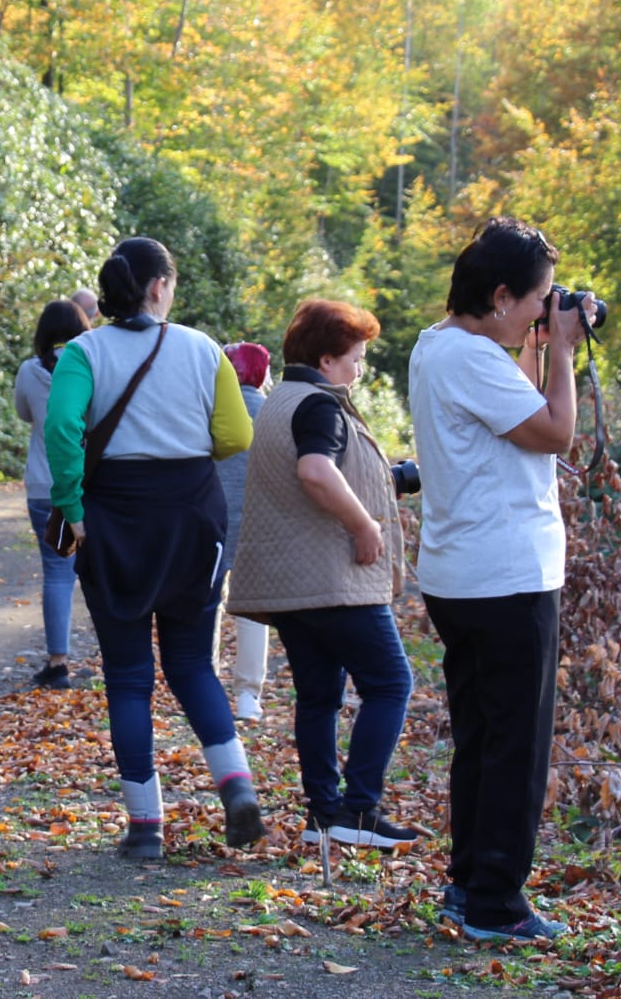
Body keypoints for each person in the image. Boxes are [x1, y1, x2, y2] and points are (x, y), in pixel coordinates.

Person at [43, 236, 263, 859]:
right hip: (191, 515)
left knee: (128, 675)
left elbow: (61, 428)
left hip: (114, 519)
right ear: (160, 287)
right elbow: (235, 435)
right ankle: (236, 785)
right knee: (191, 663)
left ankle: (145, 827)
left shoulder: (82, 352)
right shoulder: (203, 349)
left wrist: (72, 507)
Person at [408, 216, 592, 942]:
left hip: (462, 573)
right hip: (508, 575)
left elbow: (517, 411)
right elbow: (554, 432)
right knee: (517, 746)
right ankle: (496, 903)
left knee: (483, 738)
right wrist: (564, 352)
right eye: (540, 298)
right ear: (502, 295)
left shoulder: (438, 345)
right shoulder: (472, 359)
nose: (547, 309)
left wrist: (542, 345)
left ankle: (469, 885)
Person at [228, 301, 419, 851]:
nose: (359, 370)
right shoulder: (320, 405)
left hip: (294, 582)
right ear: (328, 359)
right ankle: (359, 809)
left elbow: (314, 473)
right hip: (332, 579)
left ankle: (324, 813)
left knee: (318, 696)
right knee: (390, 684)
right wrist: (363, 525)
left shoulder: (280, 400)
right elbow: (315, 470)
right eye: (355, 359)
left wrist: (392, 479)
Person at [14, 299, 92, 689]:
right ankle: (117, 653)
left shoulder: (29, 371)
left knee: (57, 572)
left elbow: (23, 413)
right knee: (100, 570)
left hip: (44, 485)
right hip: (89, 483)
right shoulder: (92, 365)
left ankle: (58, 662)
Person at [213, 341, 273, 721]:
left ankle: (206, 680)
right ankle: (249, 694)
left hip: (214, 523)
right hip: (258, 525)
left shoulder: (211, 410)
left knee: (210, 605)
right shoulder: (273, 413)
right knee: (252, 612)